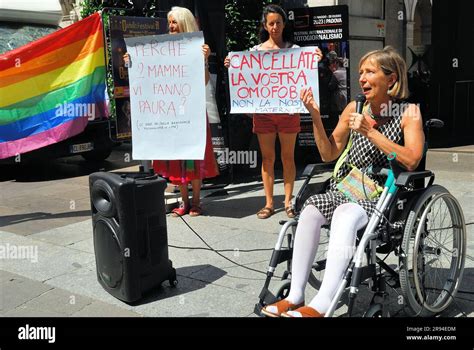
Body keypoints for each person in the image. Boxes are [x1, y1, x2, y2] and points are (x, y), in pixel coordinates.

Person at [261, 46, 425, 317]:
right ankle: (296, 295)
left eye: (370, 72)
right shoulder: (354, 108)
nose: (361, 78)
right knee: (311, 209)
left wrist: (370, 131)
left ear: (392, 79)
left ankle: (324, 301)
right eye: (360, 72)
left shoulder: (410, 113)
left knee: (345, 214)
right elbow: (329, 152)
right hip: (348, 186)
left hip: (385, 195)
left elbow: (411, 160)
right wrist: (314, 116)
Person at [224, 4, 322, 219]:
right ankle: (268, 203)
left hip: (289, 112)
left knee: (288, 158)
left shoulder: (295, 51)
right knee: (267, 159)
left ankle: (288, 201)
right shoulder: (254, 53)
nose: (275, 26)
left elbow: (308, 69)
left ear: (284, 24)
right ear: (265, 26)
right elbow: (244, 74)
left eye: (278, 22)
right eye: (271, 23)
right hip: (264, 113)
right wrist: (232, 63)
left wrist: (315, 56)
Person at [125, 6, 219, 217]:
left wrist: (204, 60)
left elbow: (204, 82)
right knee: (176, 158)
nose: (171, 26)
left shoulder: (196, 47)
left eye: (174, 22)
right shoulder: (162, 46)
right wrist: (132, 61)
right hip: (170, 113)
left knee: (193, 158)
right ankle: (184, 202)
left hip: (191, 111)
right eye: (169, 22)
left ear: (184, 23)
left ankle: (196, 202)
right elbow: (147, 73)